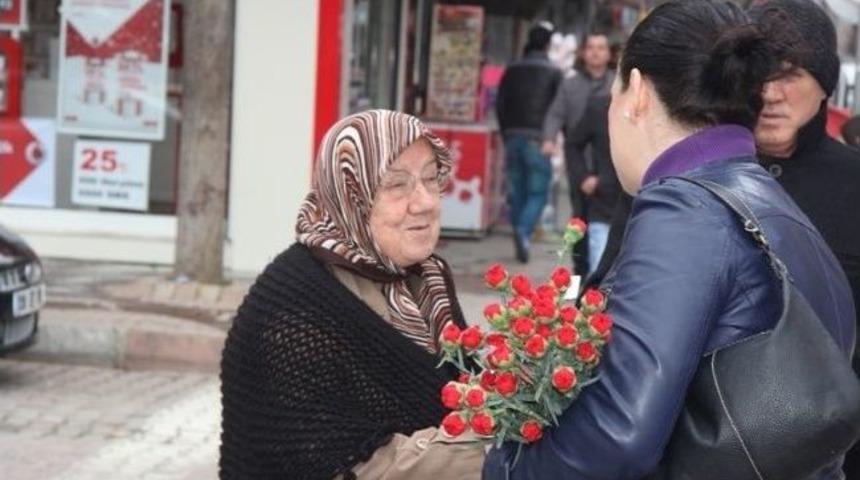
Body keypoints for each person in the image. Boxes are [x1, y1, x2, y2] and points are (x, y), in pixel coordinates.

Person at [482, 1, 856, 478]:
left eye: (613, 91)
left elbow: (617, 434)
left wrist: (507, 467)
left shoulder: (685, 207)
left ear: (635, 91)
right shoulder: (769, 200)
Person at [220, 110, 484, 479]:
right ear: (350, 194)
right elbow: (356, 465)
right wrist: (500, 449)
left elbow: (467, 393)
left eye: (430, 178)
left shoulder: (427, 279)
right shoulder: (293, 307)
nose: (424, 201)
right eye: (397, 185)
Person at [748, 1, 860, 475]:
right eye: (754, 74)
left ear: (825, 84)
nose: (770, 93)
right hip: (716, 450)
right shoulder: (691, 177)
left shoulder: (853, 182)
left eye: (791, 74)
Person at [542, 31, 617, 274]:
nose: (595, 52)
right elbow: (555, 113)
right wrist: (549, 138)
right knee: (579, 224)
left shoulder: (617, 84)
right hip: (580, 167)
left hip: (609, 169)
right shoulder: (570, 83)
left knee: (606, 226)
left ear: (609, 54)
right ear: (583, 53)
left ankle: (601, 278)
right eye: (591, 47)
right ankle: (579, 277)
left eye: (601, 47)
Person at [496, 22, 562, 263]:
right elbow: (558, 108)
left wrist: (505, 133)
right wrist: (553, 136)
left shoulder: (511, 69)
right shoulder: (554, 72)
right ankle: (524, 230)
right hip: (538, 138)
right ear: (547, 44)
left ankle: (519, 229)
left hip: (513, 135)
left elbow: (500, 104)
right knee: (538, 191)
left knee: (518, 190)